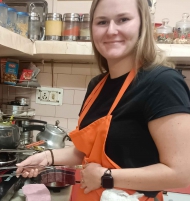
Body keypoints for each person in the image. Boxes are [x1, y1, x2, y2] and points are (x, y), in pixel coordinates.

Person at [16, 0, 190, 200]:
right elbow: (83, 153)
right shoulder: (97, 85)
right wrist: (46, 158)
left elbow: (180, 174)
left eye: (123, 19)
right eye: (102, 22)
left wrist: (106, 177)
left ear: (142, 25)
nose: (111, 30)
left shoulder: (162, 82)